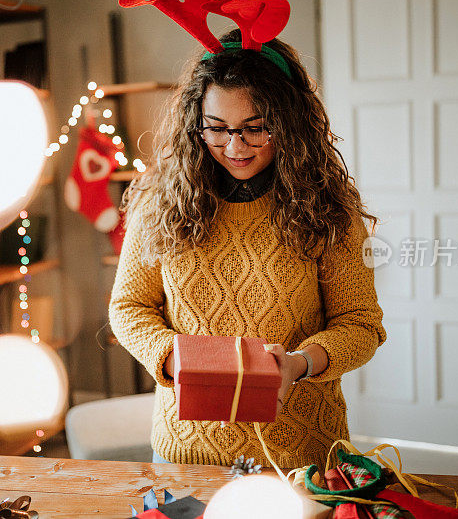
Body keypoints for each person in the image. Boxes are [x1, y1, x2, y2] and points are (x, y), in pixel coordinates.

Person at [108, 27, 386, 470]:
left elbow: (361, 324)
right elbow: (129, 306)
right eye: (216, 129)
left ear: (290, 123)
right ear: (195, 122)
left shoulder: (329, 211)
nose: (235, 147)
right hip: (185, 453)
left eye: (255, 129)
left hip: (301, 455)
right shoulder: (159, 201)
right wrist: (174, 359)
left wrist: (298, 364)